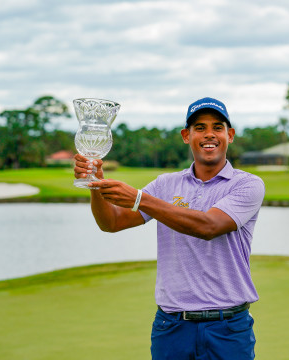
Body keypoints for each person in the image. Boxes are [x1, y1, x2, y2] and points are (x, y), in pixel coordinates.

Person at [73, 97, 265, 360]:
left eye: (217, 127)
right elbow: (112, 223)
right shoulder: (166, 184)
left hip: (228, 327)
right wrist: (96, 184)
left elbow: (209, 226)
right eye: (199, 128)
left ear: (229, 135)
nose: (209, 134)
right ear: (186, 136)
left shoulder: (247, 185)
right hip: (172, 326)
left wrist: (141, 199)